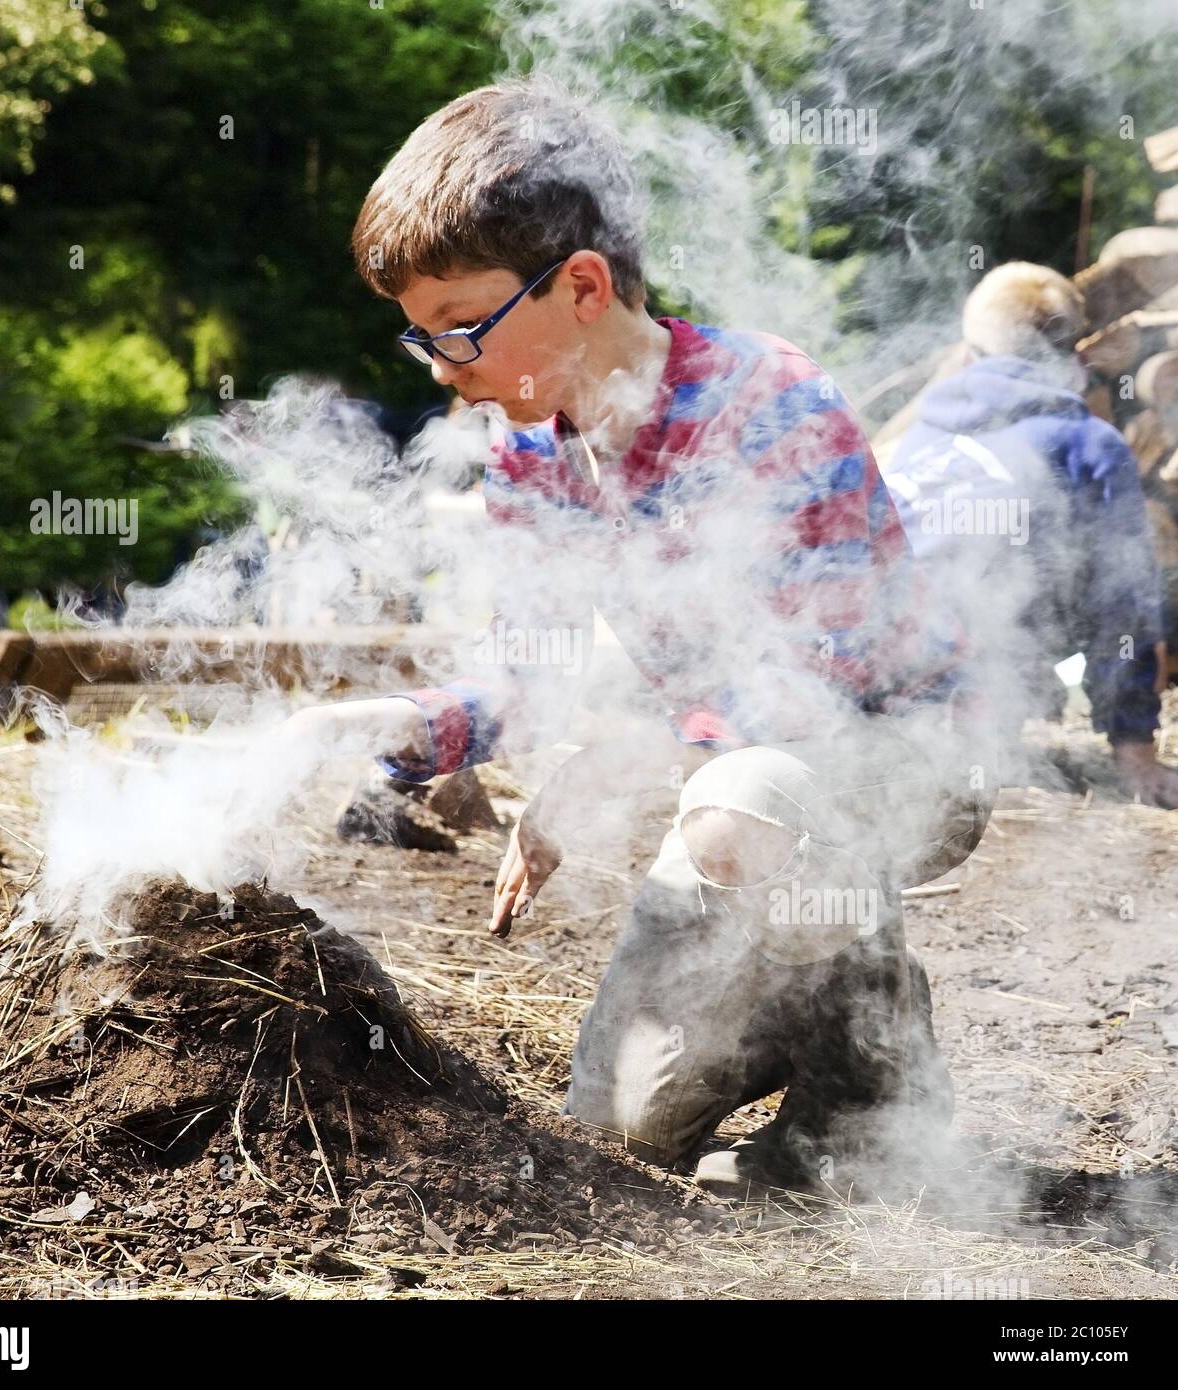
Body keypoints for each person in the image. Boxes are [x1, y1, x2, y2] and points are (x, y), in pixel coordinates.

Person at [275, 81, 997, 1190]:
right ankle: (792, 1005)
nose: (442, 370)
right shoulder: (530, 449)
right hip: (744, 787)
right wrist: (396, 725)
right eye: (419, 339)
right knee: (621, 1130)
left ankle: (868, 1081)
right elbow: (538, 666)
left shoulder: (771, 402)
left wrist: (625, 756)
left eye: (459, 331)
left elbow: (815, 685)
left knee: (738, 802)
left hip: (900, 764)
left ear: (579, 285)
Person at [886, 262, 1177, 809]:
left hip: (894, 691)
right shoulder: (1089, 442)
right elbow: (1124, 604)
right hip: (984, 675)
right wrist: (1135, 751)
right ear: (1074, 351)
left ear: (970, 351)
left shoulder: (925, 433)